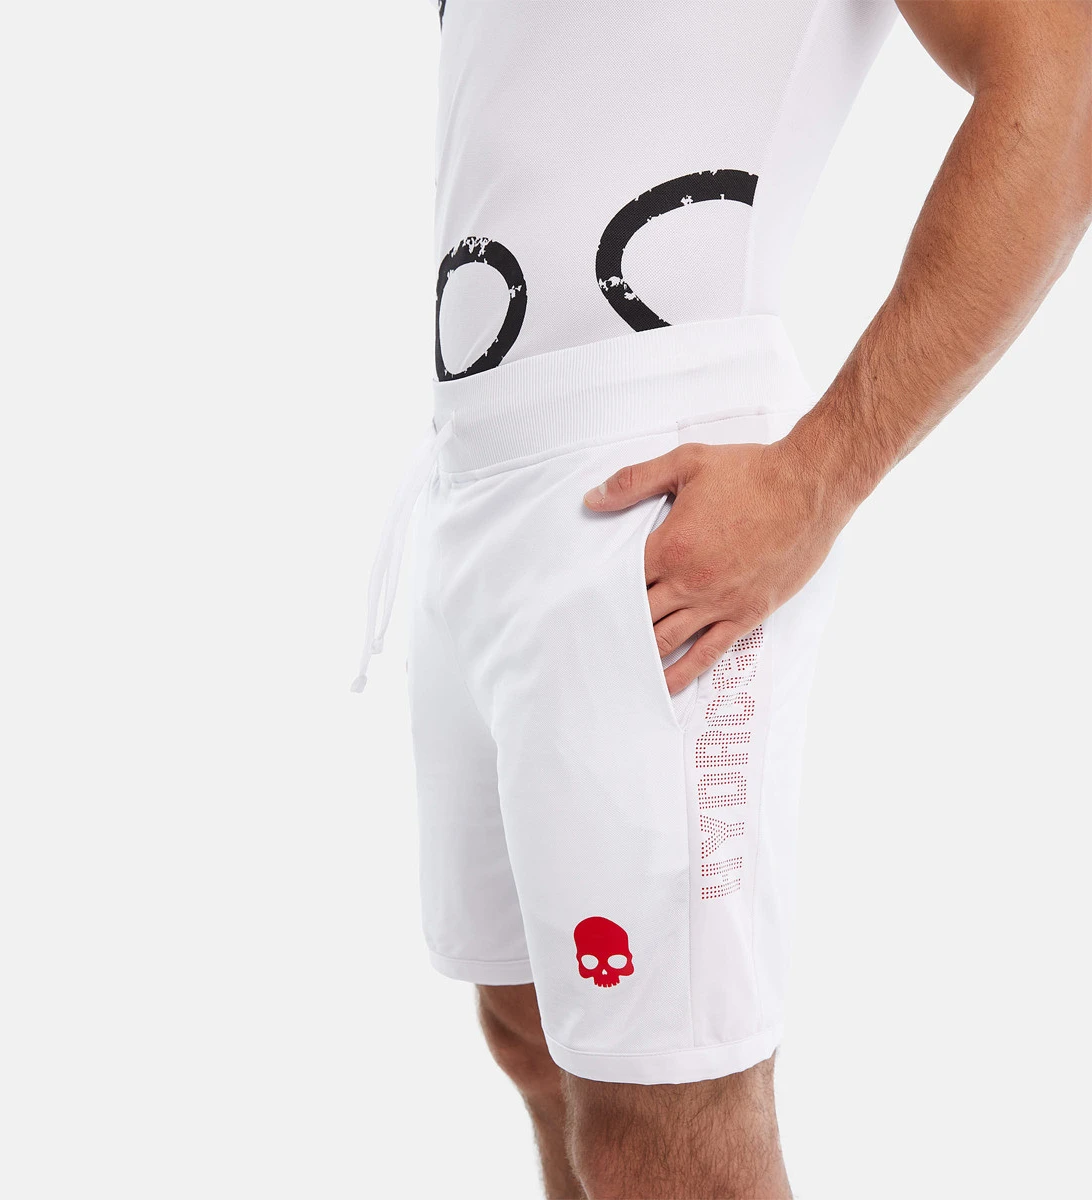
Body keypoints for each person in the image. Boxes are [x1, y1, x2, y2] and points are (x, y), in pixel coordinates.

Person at [352, 2, 1091, 1196]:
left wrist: (820, 475)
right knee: (535, 1032)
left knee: (664, 1118)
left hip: (655, 477)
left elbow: (1065, 89)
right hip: (473, 475)